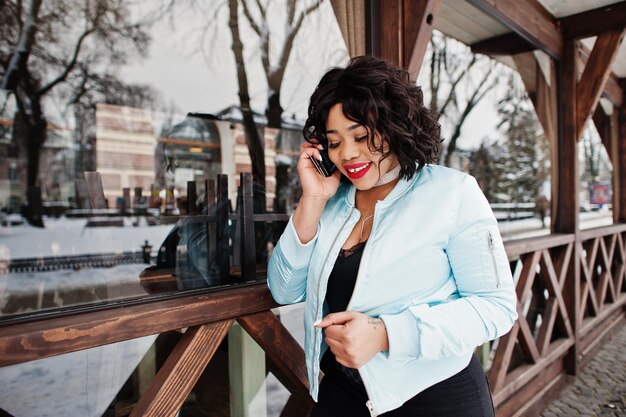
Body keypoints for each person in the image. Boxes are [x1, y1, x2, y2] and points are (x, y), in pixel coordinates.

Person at [267, 56, 517, 417]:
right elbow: (284, 290)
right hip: (342, 392)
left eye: (361, 136)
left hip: (435, 397)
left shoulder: (453, 193)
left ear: (395, 127)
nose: (347, 154)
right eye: (334, 142)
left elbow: (497, 307)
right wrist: (313, 199)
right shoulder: (333, 203)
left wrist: (387, 334)